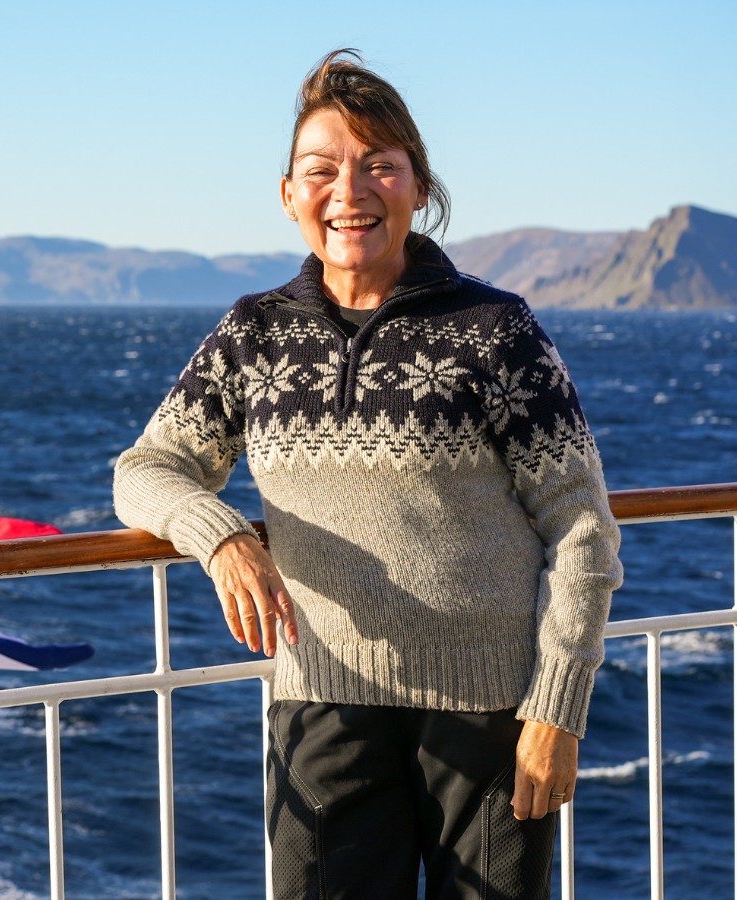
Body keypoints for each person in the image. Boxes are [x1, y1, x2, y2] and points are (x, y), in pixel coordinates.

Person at [112, 49, 622, 898]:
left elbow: (581, 526)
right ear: (288, 197)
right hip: (323, 710)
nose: (349, 190)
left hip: (493, 718)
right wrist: (224, 537)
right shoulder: (254, 335)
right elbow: (148, 468)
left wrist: (555, 712)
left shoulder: (495, 330)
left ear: (417, 189)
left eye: (379, 166)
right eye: (322, 170)